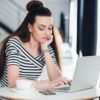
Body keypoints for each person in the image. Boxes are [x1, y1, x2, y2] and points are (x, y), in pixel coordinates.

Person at [0, 0, 70, 90]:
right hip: (7, 96)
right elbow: (13, 81)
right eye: (41, 28)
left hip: (27, 96)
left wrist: (45, 49)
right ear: (30, 27)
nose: (47, 33)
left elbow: (57, 80)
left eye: (50, 28)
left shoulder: (46, 47)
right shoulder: (14, 43)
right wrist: (47, 85)